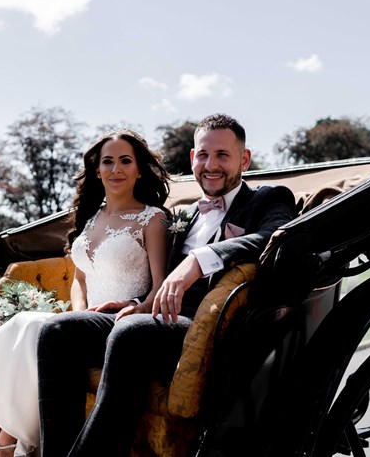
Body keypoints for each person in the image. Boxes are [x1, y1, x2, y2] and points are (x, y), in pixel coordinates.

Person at [0, 129, 171, 457]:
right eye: (107, 161)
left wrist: (133, 306)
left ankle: (6, 444)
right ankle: (1, 440)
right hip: (80, 323)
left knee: (27, 325)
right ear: (97, 170)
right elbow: (79, 281)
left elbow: (160, 286)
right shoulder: (91, 219)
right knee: (27, 328)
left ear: (140, 169)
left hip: (120, 325)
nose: (116, 169)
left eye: (125, 161)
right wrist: (79, 311)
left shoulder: (152, 219)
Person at [37, 113, 298, 456]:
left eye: (223, 155)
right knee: (58, 331)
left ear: (244, 159)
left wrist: (199, 260)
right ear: (192, 159)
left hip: (211, 328)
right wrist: (137, 301)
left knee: (132, 333)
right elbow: (156, 278)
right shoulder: (186, 214)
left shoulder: (268, 200)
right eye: (203, 155)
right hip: (156, 317)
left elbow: (274, 237)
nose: (211, 164)